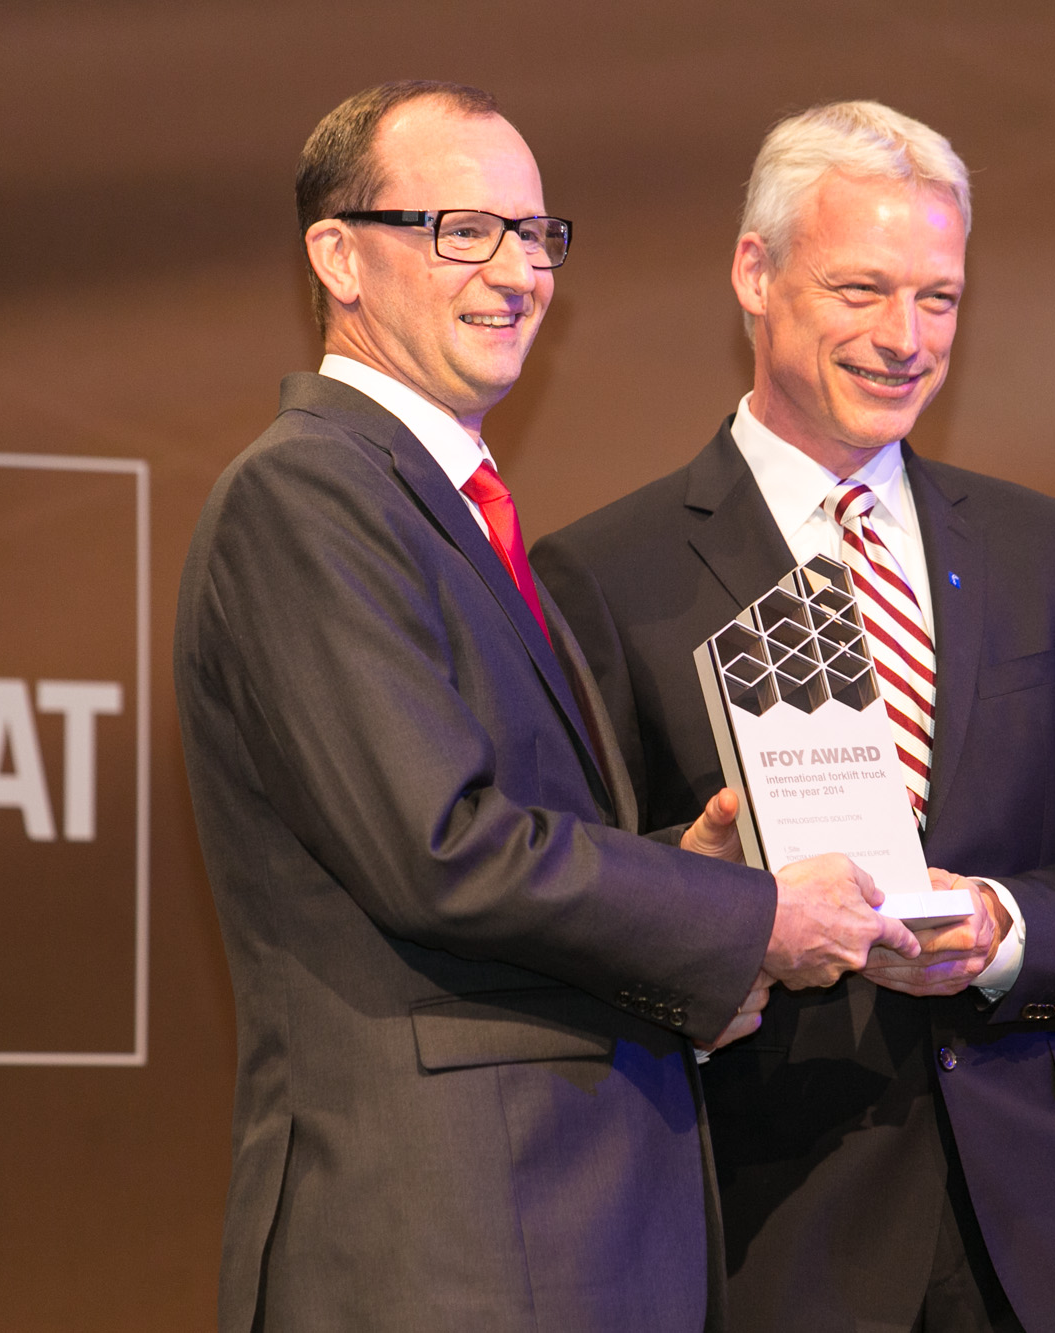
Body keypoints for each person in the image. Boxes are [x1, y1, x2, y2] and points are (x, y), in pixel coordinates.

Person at [174, 81, 919, 1333]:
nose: (517, 271)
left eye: (534, 234)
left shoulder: (450, 505)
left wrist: (677, 870)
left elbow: (497, 838)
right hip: (445, 1246)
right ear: (338, 257)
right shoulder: (305, 494)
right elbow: (441, 851)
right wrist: (750, 916)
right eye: (462, 230)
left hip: (551, 1236)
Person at [532, 101, 1055, 1332]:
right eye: (861, 289)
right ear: (754, 273)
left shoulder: (1038, 551)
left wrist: (999, 927)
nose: (904, 338)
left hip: (1046, 1251)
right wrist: (712, 904)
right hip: (779, 1241)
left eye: (937, 298)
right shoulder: (606, 574)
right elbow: (569, 919)